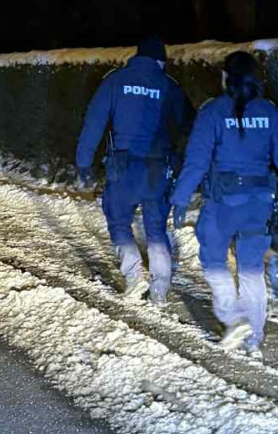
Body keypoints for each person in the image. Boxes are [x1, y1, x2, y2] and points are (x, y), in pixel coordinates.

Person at [168, 51, 278, 352]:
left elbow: (196, 161)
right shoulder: (270, 113)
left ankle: (233, 318)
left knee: (213, 260)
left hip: (222, 204)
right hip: (260, 204)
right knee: (251, 267)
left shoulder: (212, 112)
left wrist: (181, 199)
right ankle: (254, 338)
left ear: (225, 78)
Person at [75, 36, 194, 304]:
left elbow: (93, 125)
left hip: (122, 169)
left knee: (119, 223)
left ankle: (134, 276)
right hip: (157, 169)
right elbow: (190, 126)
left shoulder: (114, 81)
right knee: (156, 229)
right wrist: (180, 162)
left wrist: (83, 163)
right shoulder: (169, 85)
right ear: (160, 61)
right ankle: (160, 289)